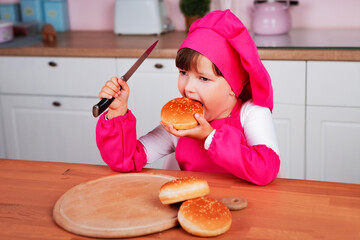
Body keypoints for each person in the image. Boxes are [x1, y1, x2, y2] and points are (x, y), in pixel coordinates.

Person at [96, 10, 280, 186]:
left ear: (233, 86)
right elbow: (125, 160)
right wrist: (117, 113)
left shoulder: (252, 113)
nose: (188, 88)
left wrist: (209, 137)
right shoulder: (178, 124)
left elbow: (266, 170)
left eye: (203, 78)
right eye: (183, 73)